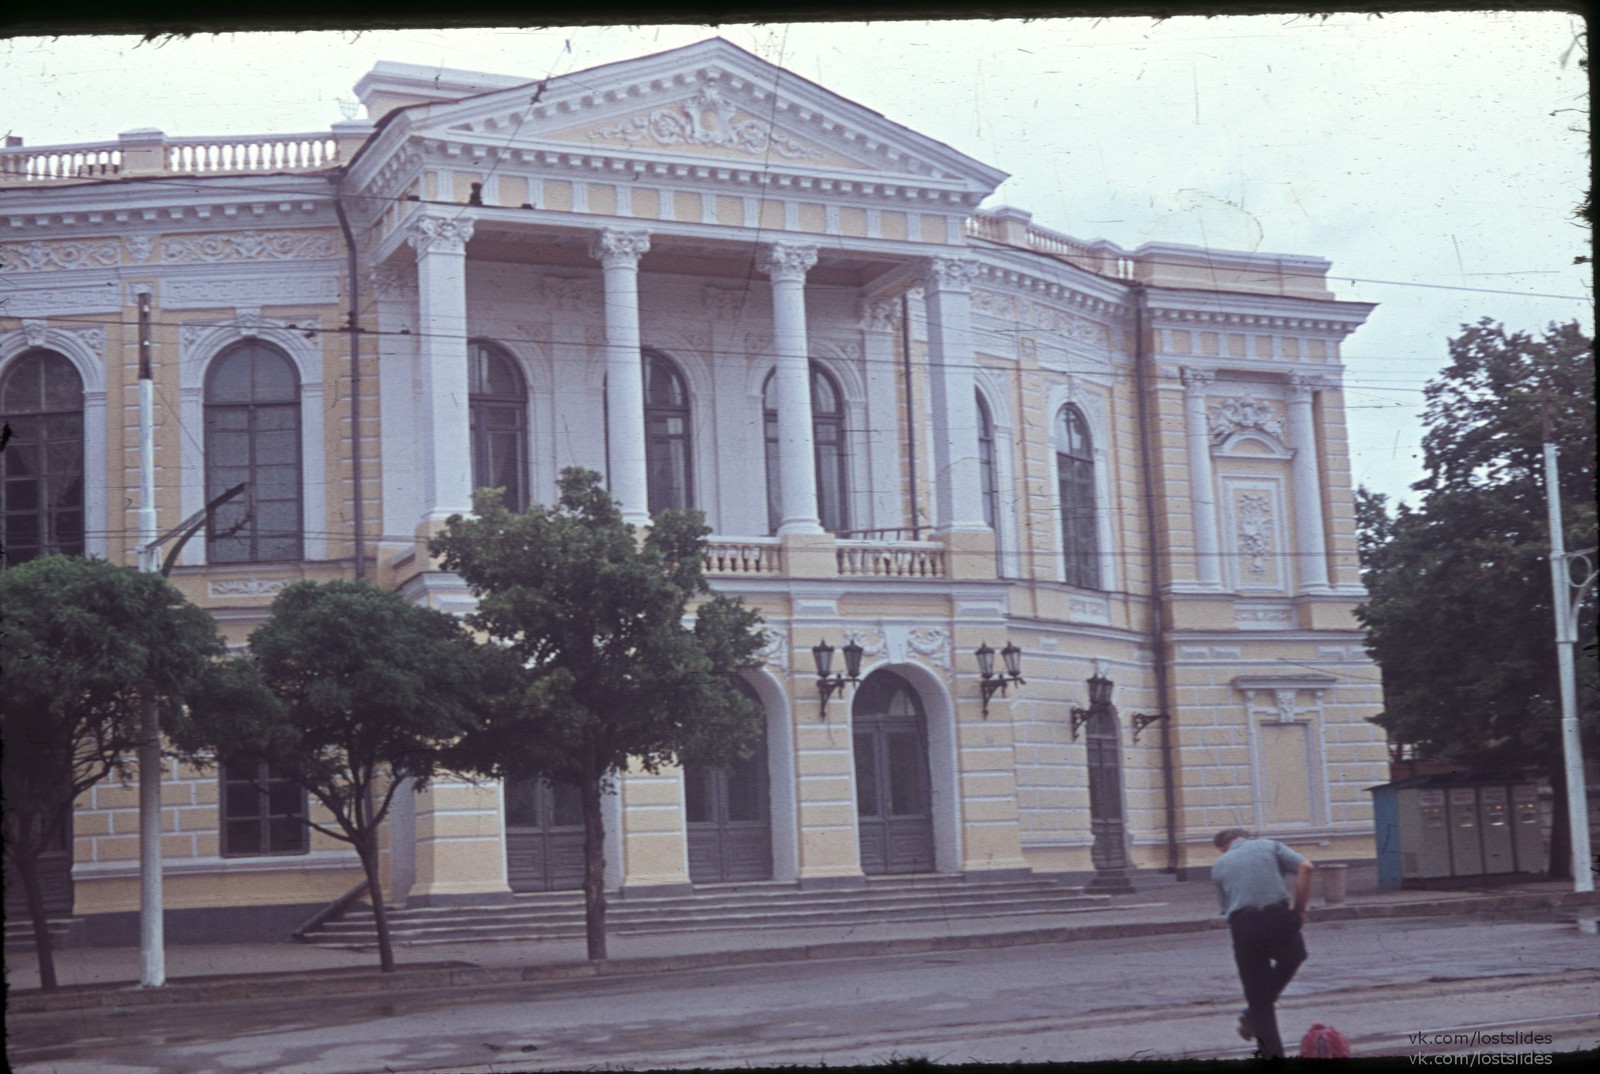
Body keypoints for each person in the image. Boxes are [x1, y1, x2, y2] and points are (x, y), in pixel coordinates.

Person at [1211, 827, 1314, 1058]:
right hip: (1277, 917)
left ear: (1222, 847)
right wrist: (1299, 911)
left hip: (1243, 926)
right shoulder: (1269, 845)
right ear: (1245, 837)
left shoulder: (1219, 866)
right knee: (1296, 954)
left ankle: (1271, 1054)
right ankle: (1251, 1013)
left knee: (1259, 1000)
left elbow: (1226, 909)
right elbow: (1306, 867)